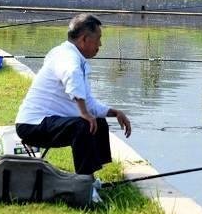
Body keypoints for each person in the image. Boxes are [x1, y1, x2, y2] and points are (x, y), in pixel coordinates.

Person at [15, 14, 132, 176]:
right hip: (33, 125)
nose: (100, 44)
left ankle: (92, 177)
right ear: (84, 39)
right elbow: (71, 75)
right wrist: (83, 113)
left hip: (50, 121)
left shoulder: (75, 58)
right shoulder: (66, 56)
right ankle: (83, 181)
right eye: (98, 39)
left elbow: (88, 102)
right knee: (83, 125)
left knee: (98, 122)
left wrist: (114, 112)